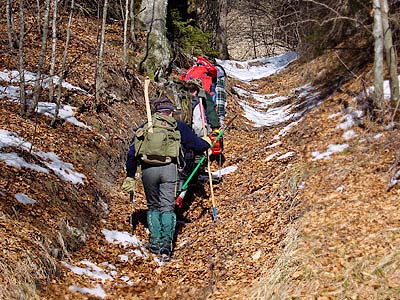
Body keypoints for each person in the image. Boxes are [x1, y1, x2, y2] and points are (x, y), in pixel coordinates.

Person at [121, 97, 211, 258]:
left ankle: (155, 241)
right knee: (167, 207)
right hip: (169, 169)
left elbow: (131, 153)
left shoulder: (146, 126)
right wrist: (206, 142)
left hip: (148, 171)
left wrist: (130, 175)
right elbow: (196, 145)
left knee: (153, 205)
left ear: (157, 111)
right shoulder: (177, 126)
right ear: (171, 111)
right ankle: (166, 244)